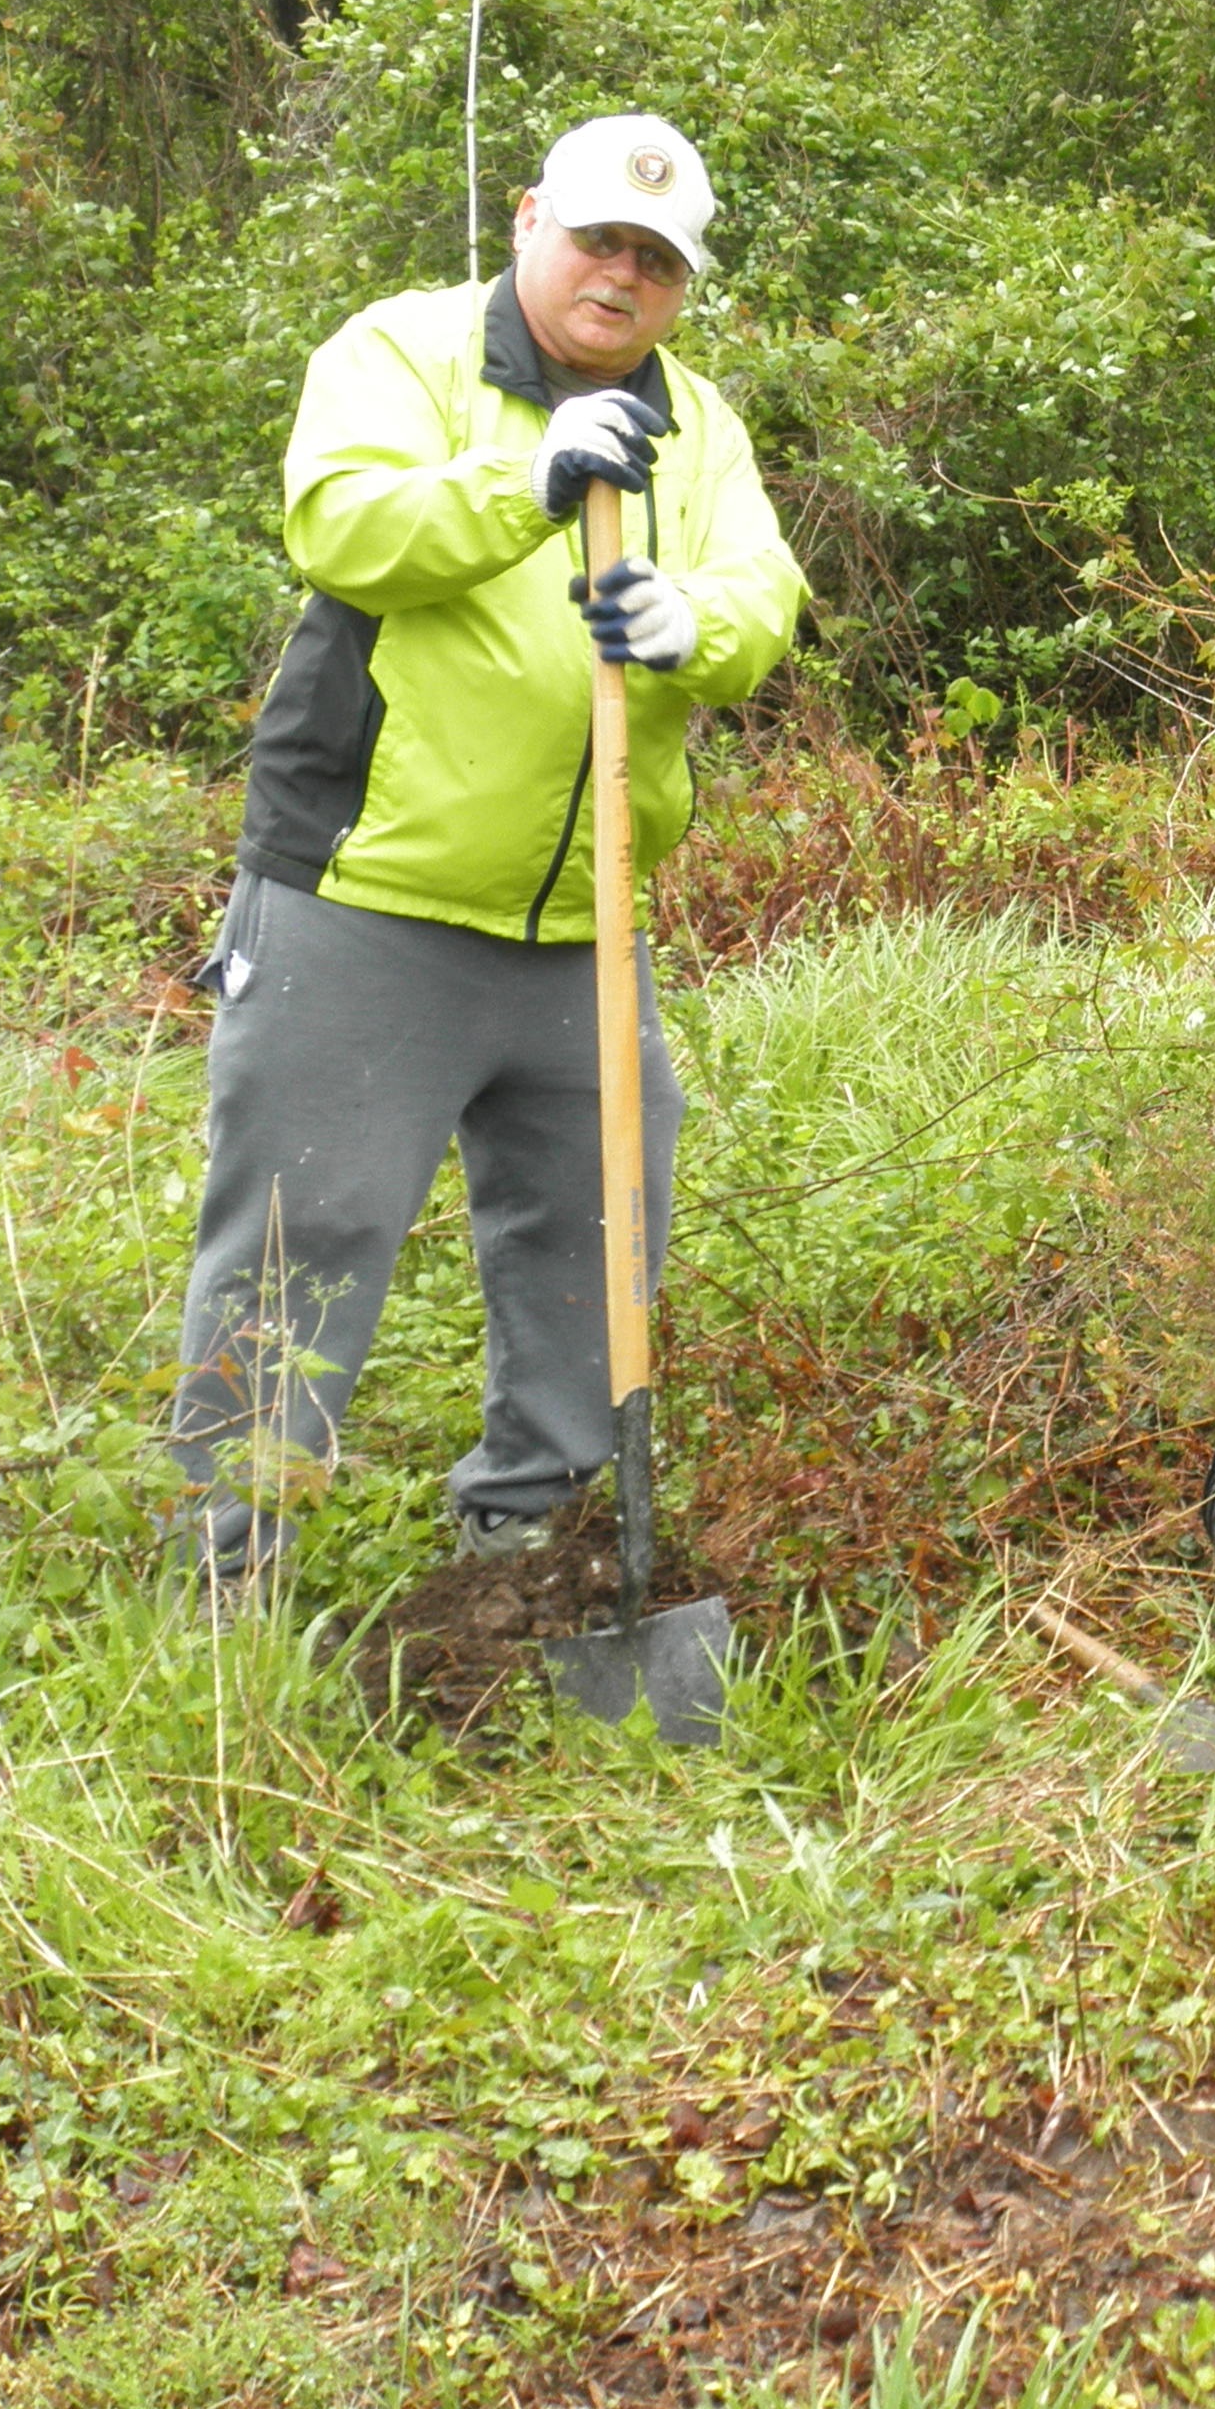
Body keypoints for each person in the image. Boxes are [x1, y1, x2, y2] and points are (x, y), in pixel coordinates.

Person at [165, 114, 810, 1585]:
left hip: (587, 918)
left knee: (598, 1243)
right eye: (598, 240)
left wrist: (693, 627)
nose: (622, 276)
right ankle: (226, 1569)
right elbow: (343, 527)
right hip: (364, 898)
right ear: (531, 221)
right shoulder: (403, 355)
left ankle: (532, 1545)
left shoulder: (698, 424)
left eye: (656, 259)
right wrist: (524, 485)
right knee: (302, 1234)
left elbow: (761, 586)